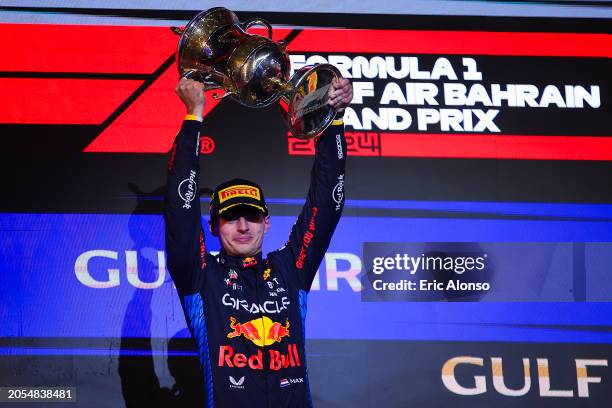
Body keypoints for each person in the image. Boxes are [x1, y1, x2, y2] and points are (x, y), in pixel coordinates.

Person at [164, 75, 352, 407]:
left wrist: (333, 119)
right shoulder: (201, 276)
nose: (242, 227)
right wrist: (193, 116)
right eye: (231, 218)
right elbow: (180, 210)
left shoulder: (289, 269)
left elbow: (327, 204)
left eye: (251, 217)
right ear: (213, 227)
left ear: (266, 223)